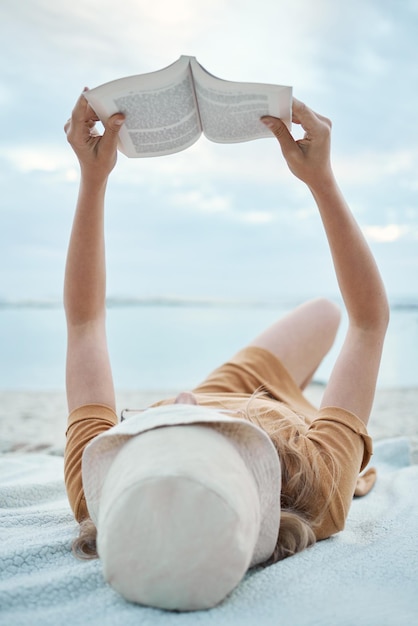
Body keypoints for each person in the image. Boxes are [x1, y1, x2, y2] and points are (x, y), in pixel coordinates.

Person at [63, 91, 389, 612]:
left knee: (322, 313)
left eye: (161, 431)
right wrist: (321, 180)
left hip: (235, 393)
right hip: (286, 430)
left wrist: (92, 179)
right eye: (196, 431)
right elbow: (369, 324)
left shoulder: (109, 496)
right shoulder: (315, 486)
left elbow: (83, 324)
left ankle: (267, 408)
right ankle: (302, 400)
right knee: (328, 317)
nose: (184, 399)